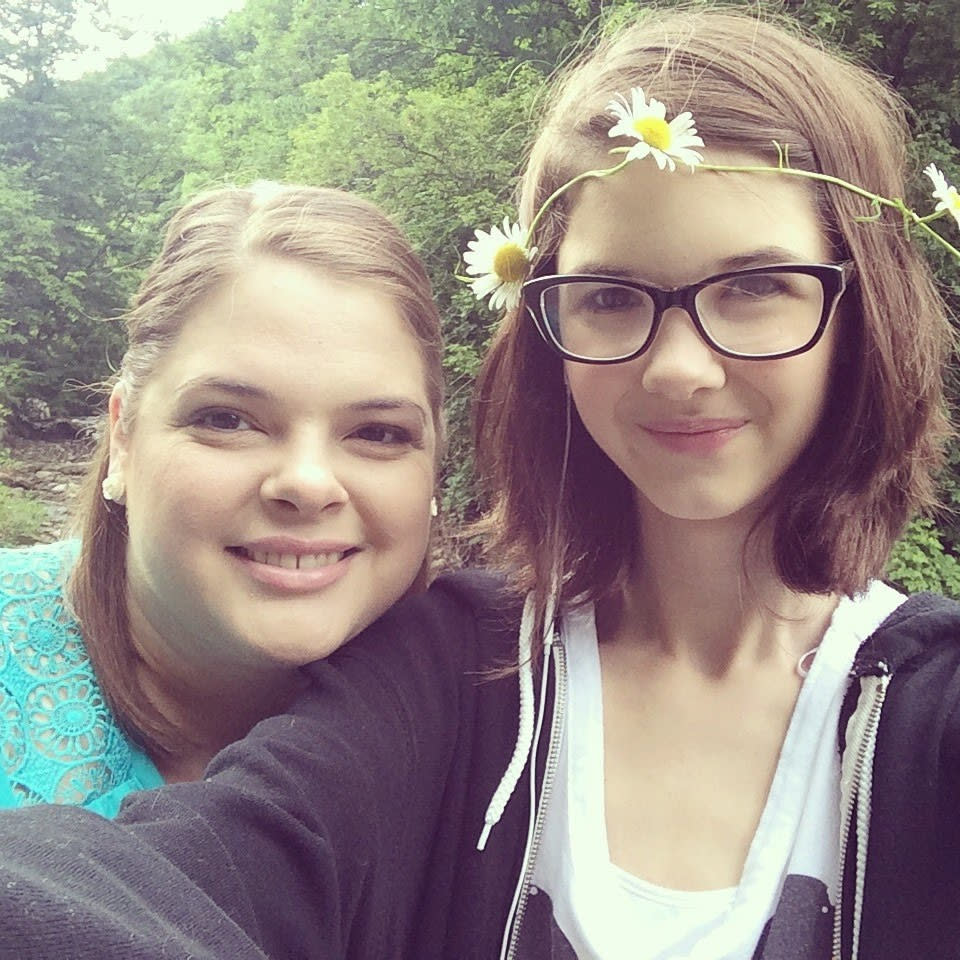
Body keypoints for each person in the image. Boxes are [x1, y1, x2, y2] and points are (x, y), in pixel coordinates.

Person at [0, 7, 958, 960]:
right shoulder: (450, 671)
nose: (679, 368)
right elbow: (206, 865)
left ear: (857, 304)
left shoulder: (927, 710)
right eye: (611, 296)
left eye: (755, 285)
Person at [0, 182, 442, 815]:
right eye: (227, 420)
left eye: (377, 433)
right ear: (123, 438)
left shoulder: (507, 734)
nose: (309, 484)